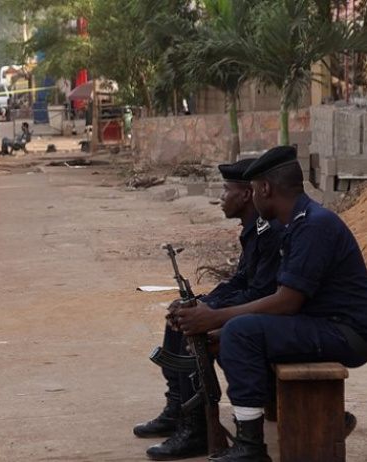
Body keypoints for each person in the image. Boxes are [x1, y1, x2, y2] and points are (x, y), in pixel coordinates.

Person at [175, 145, 367, 462]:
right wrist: (218, 324)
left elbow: (287, 302)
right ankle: (303, 417)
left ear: (265, 188)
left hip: (347, 333)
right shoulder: (299, 223)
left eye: (252, 189)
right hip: (325, 323)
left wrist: (217, 317)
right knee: (233, 333)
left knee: (240, 331)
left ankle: (250, 447)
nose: (251, 197)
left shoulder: (312, 226)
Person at [135, 158, 283, 461]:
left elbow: (262, 292)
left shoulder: (270, 231)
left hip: (268, 317)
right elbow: (241, 280)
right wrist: (204, 301)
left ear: (245, 194)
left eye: (225, 189)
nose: (220, 197)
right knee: (182, 315)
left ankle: (197, 428)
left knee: (195, 326)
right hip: (255, 309)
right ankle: (178, 408)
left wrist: (211, 310)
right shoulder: (252, 228)